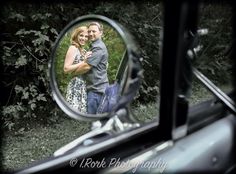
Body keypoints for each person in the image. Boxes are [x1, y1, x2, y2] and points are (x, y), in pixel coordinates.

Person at [75, 22, 109, 114]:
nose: (90, 34)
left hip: (97, 91)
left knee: (94, 121)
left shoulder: (98, 48)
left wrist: (73, 71)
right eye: (89, 31)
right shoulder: (94, 46)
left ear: (100, 33)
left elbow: (86, 67)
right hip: (96, 89)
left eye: (93, 31)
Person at [63, 26, 91, 113]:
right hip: (76, 84)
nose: (84, 38)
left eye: (86, 36)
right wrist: (83, 62)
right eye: (81, 35)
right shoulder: (73, 48)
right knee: (75, 114)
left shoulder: (83, 49)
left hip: (83, 84)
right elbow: (66, 68)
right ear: (76, 36)